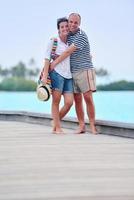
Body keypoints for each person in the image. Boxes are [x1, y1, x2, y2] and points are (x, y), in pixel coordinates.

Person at [50, 13, 98, 134]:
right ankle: (81, 125)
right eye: (70, 22)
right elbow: (59, 43)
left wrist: (54, 63)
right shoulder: (68, 34)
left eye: (75, 22)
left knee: (88, 97)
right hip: (72, 72)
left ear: (79, 24)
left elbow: (67, 52)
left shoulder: (81, 36)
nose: (72, 24)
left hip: (84, 69)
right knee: (77, 100)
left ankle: (92, 125)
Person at [41, 17, 73, 134]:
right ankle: (58, 128)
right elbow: (46, 58)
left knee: (69, 102)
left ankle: (55, 122)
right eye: (62, 27)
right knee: (56, 101)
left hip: (69, 76)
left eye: (66, 26)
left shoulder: (71, 42)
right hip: (56, 74)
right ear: (58, 29)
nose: (64, 28)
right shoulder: (54, 40)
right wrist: (45, 75)